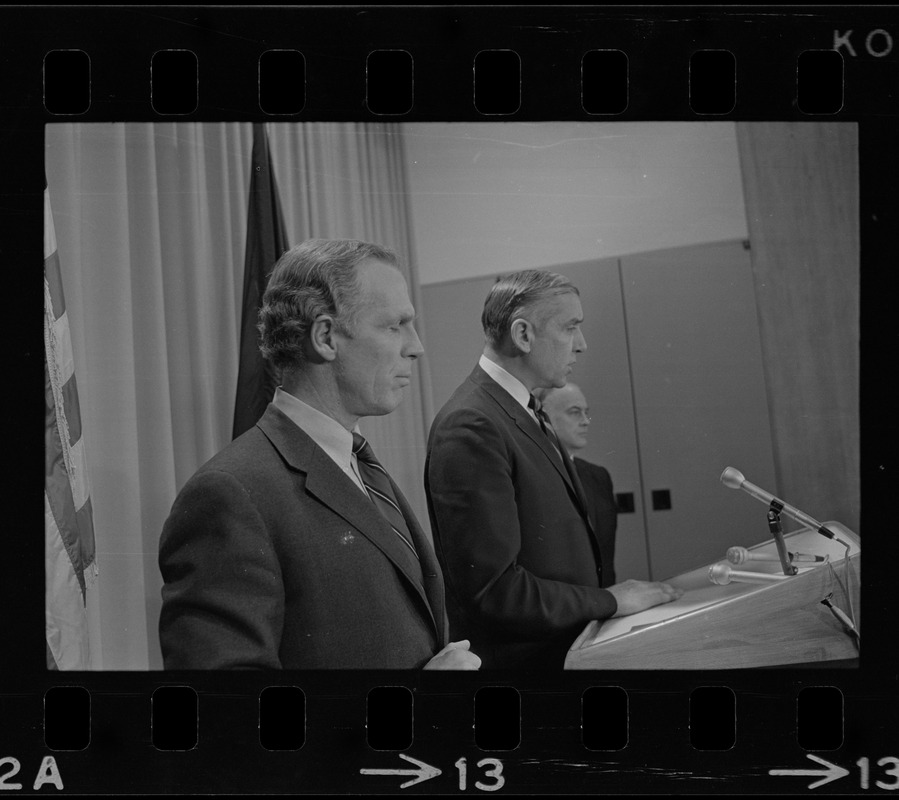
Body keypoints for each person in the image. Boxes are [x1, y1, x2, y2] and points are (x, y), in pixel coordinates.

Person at [159, 238, 480, 671]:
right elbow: (225, 717)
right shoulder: (230, 494)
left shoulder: (357, 461)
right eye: (395, 326)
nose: (416, 346)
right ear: (326, 337)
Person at [425, 269, 681, 669]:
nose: (581, 345)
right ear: (523, 335)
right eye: (570, 328)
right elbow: (496, 591)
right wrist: (611, 600)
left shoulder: (520, 410)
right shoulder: (472, 424)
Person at [533, 383, 617, 587]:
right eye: (574, 412)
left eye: (586, 413)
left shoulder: (598, 476)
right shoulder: (535, 476)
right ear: (545, 418)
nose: (586, 422)